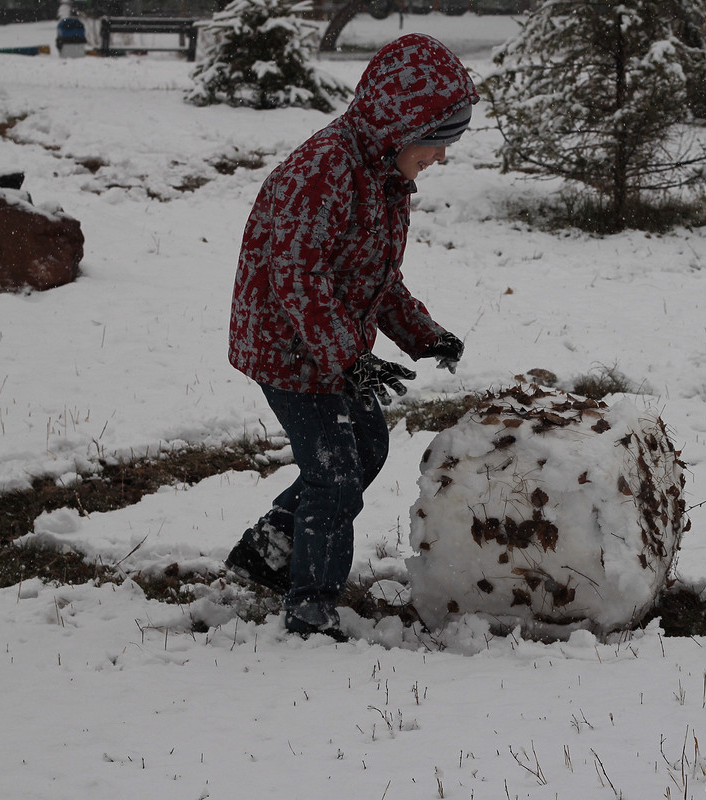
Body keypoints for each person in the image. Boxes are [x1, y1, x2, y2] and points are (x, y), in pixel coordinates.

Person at [225, 34, 477, 639]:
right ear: (400, 124)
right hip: (286, 348)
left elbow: (376, 281)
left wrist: (425, 335)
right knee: (335, 474)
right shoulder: (324, 173)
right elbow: (296, 277)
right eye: (437, 141)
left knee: (366, 449)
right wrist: (350, 358)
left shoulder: (382, 180)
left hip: (331, 349)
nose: (441, 157)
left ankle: (266, 549)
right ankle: (310, 603)